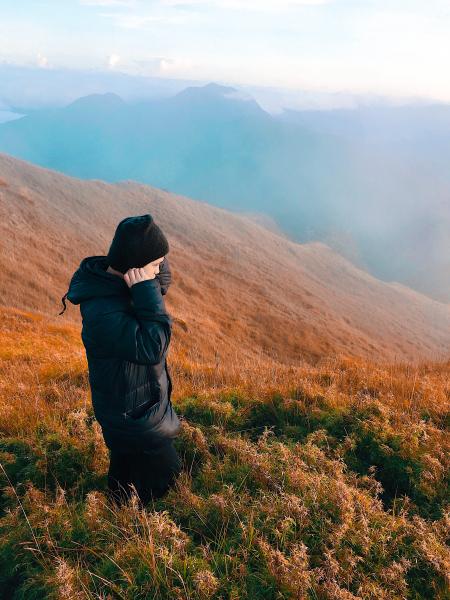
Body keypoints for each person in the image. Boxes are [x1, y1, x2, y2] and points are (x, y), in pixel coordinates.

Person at [59, 214, 183, 507]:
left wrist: (149, 274)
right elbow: (154, 345)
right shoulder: (103, 312)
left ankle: (115, 512)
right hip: (136, 419)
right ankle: (136, 535)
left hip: (136, 409)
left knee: (124, 478)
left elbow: (162, 279)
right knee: (168, 487)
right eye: (155, 266)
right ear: (135, 269)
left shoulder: (116, 281)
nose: (161, 271)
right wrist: (145, 288)